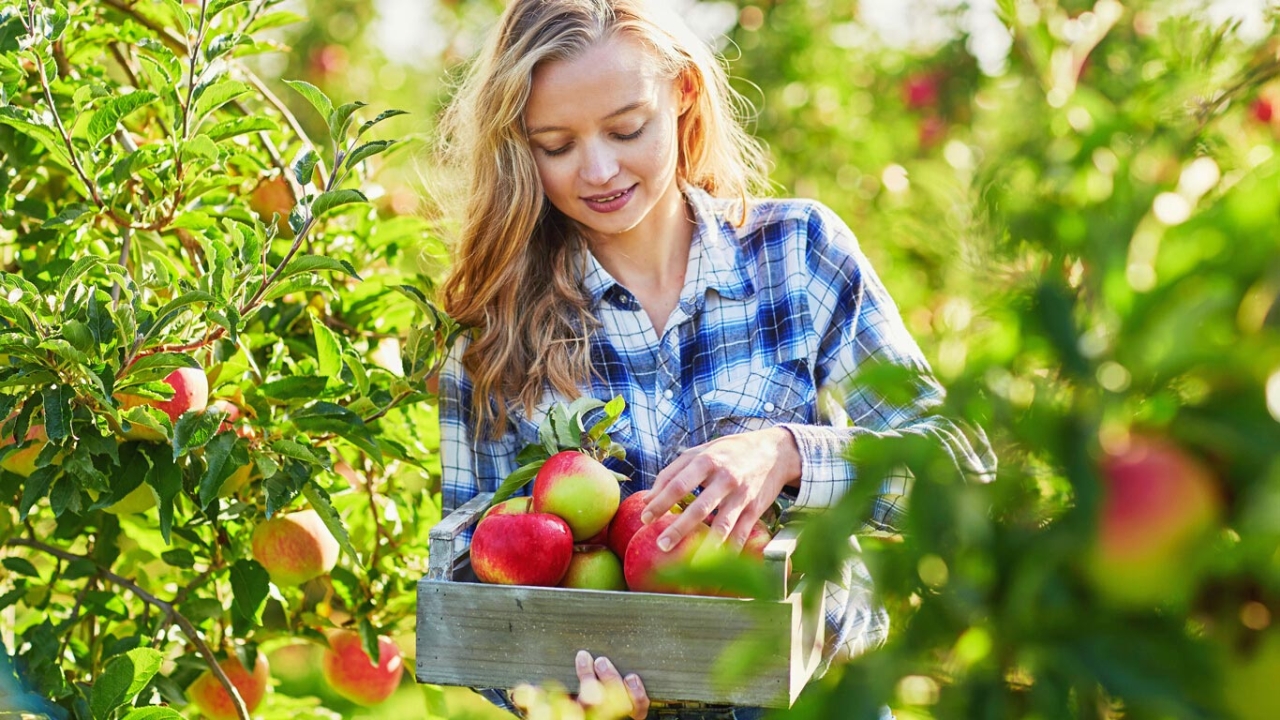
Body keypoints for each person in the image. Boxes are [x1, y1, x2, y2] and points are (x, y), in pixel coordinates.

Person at [435, 1, 997, 717]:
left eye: (626, 128)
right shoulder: (495, 328)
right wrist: (556, 695)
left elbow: (964, 474)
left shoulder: (798, 255)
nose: (599, 168)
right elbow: (475, 600)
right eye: (555, 144)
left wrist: (790, 451)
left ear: (683, 96)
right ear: (519, 144)